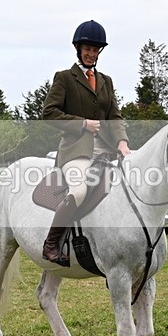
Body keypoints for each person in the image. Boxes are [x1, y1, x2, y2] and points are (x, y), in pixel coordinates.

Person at [41, 20, 131, 265]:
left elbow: (114, 116)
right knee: (79, 190)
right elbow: (49, 113)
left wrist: (122, 142)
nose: (91, 53)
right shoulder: (64, 78)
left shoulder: (105, 81)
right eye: (87, 49)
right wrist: (82, 124)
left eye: (95, 49)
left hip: (106, 150)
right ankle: (51, 244)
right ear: (78, 49)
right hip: (76, 151)